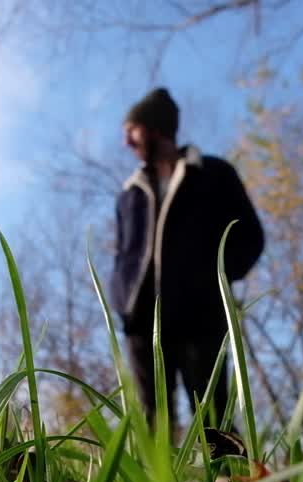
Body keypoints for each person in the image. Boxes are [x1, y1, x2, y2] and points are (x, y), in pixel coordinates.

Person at [110, 87, 264, 431]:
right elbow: (124, 253)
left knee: (212, 414)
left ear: (156, 129)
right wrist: (121, 299)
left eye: (131, 131)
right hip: (141, 320)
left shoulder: (214, 174)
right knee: (149, 418)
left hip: (201, 317)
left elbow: (251, 237)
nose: (126, 142)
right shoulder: (129, 193)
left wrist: (213, 281)